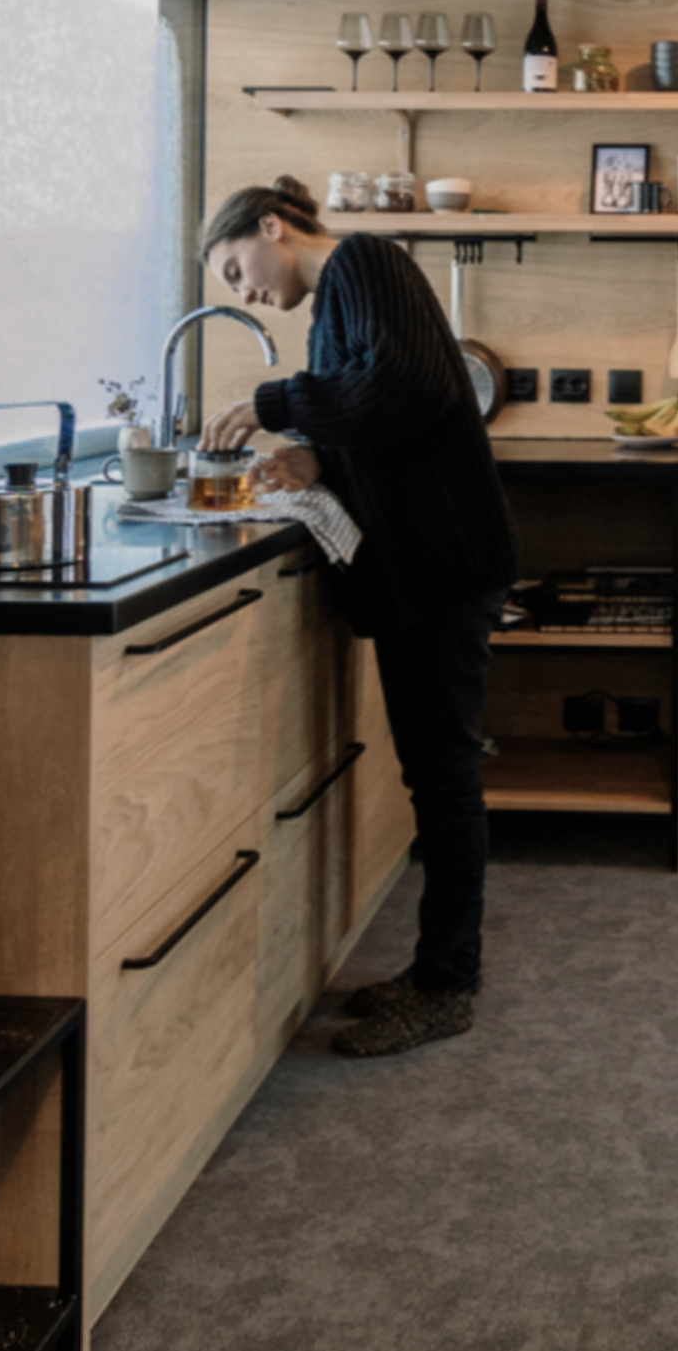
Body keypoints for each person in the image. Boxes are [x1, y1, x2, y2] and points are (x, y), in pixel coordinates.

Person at [197, 176, 517, 1058]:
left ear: (272, 226)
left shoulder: (364, 262)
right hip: (428, 568)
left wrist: (271, 405)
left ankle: (447, 986)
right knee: (435, 775)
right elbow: (376, 415)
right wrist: (312, 459)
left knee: (443, 778)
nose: (246, 292)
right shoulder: (338, 299)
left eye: (236, 270)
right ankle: (436, 968)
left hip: (442, 566)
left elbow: (405, 388)